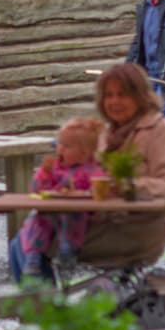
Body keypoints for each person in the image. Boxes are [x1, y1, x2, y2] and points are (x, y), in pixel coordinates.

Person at [9, 63, 165, 281]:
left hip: (135, 231)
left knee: (25, 242)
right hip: (100, 222)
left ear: (140, 96)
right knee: (27, 236)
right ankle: (46, 309)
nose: (114, 102)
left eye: (122, 95)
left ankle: (46, 311)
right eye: (109, 95)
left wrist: (128, 186)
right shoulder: (107, 134)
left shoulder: (161, 130)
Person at [18, 117, 107, 278]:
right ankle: (33, 257)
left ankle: (68, 250)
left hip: (77, 213)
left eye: (66, 146)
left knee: (72, 217)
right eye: (59, 144)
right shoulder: (55, 168)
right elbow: (37, 190)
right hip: (51, 212)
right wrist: (44, 174)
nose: (59, 149)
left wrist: (86, 191)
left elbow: (96, 191)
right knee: (37, 221)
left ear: (84, 153)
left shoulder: (91, 170)